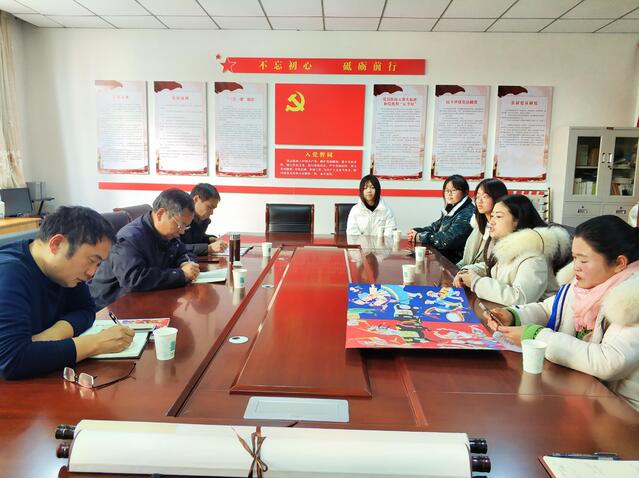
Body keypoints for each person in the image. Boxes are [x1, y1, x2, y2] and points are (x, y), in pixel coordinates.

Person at [485, 215, 639, 411]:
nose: (576, 267)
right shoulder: (584, 286)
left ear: (619, 263)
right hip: (583, 395)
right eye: (574, 258)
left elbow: (609, 362)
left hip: (621, 411)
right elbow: (549, 309)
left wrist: (536, 336)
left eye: (583, 260)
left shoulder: (631, 300)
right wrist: (514, 315)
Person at [0, 206, 134, 380]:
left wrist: (52, 335)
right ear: (57, 244)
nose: (92, 273)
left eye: (98, 264)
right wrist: (96, 343)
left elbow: (86, 309)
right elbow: (12, 359)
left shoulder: (63, 272)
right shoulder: (9, 273)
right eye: (92, 261)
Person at [89, 189, 200, 310]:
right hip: (112, 307)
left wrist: (185, 263)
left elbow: (183, 251)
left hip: (146, 299)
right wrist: (181, 274)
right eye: (181, 225)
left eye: (186, 226)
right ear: (160, 214)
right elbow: (134, 280)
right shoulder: (129, 238)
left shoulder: (168, 233)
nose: (182, 231)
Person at [453, 194, 571, 305]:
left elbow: (520, 298)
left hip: (532, 319)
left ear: (517, 221)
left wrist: (476, 282)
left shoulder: (534, 256)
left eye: (498, 216)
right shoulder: (511, 247)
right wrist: (469, 271)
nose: (491, 221)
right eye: (492, 216)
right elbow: (493, 268)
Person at [407, 174, 474, 264]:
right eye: (447, 190)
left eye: (454, 190)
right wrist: (417, 231)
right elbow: (435, 227)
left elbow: (448, 240)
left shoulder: (467, 212)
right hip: (445, 258)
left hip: (456, 263)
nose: (449, 194)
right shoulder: (452, 208)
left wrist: (420, 236)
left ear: (465, 192)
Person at [457, 178, 508, 268]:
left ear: (497, 198)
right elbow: (466, 260)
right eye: (477, 196)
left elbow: (495, 266)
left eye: (485, 196)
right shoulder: (479, 226)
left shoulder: (504, 231)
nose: (479, 201)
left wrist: (466, 270)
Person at [181, 183, 228, 255]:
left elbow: (194, 240)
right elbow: (176, 248)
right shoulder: (179, 217)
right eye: (209, 207)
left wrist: (209, 239)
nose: (212, 213)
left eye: (213, 209)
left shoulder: (202, 220)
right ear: (196, 199)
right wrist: (209, 248)